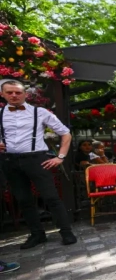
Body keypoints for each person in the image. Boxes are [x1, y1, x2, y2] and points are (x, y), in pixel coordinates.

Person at [0, 80, 77, 248]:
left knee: (51, 197)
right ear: (2, 94)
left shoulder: (40, 112)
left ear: (25, 94)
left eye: (18, 92)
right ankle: (37, 234)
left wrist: (60, 157)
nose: (14, 95)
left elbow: (65, 133)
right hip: (9, 160)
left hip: (36, 159)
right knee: (23, 199)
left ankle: (66, 232)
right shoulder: (0, 114)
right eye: (9, 92)